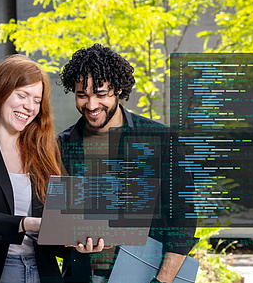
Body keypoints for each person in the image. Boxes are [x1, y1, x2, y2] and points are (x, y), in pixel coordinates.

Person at [58, 44, 198, 283]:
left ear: (118, 90)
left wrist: (161, 281)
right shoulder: (62, 145)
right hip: (82, 276)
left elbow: (184, 219)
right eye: (82, 95)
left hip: (147, 275)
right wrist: (69, 240)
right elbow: (58, 222)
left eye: (101, 94)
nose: (91, 105)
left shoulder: (160, 139)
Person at [0, 55, 105, 283]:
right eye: (22, 95)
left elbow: (54, 227)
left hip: (43, 272)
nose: (29, 106)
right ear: (0, 92)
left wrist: (78, 241)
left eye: (37, 100)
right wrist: (24, 223)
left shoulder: (44, 151)